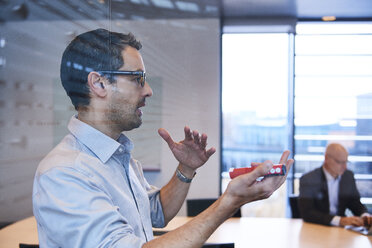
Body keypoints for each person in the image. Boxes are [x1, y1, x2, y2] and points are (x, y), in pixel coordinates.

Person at [32, 28, 294, 248]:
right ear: (99, 84)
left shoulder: (118, 156)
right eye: (138, 78)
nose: (148, 90)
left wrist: (186, 168)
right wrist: (229, 203)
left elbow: (155, 212)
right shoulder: (65, 172)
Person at [298, 143, 371, 227]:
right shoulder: (309, 179)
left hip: (341, 230)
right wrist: (339, 220)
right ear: (326, 158)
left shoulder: (348, 176)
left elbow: (355, 203)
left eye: (346, 162)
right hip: (317, 227)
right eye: (340, 162)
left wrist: (364, 215)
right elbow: (307, 213)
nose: (344, 167)